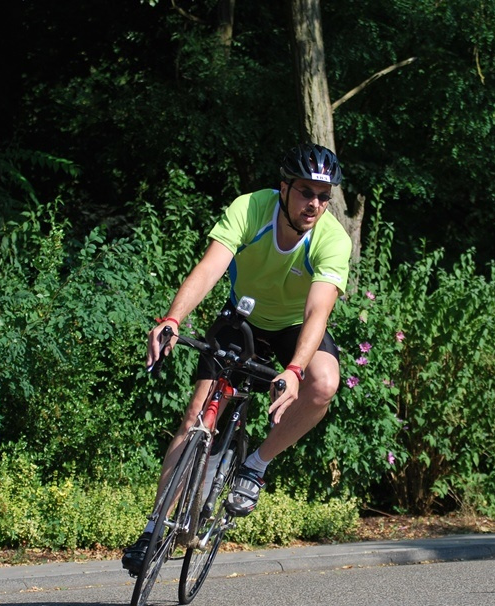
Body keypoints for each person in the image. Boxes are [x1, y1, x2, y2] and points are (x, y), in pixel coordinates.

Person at [122, 142, 352, 574]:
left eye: (324, 196)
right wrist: (172, 319)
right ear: (284, 188)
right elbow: (209, 268)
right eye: (306, 192)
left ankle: (254, 466)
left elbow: (316, 312)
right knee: (196, 417)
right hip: (241, 318)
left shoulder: (332, 239)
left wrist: (294, 370)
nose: (315, 204)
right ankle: (154, 529)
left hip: (293, 329)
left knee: (324, 382)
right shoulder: (251, 209)